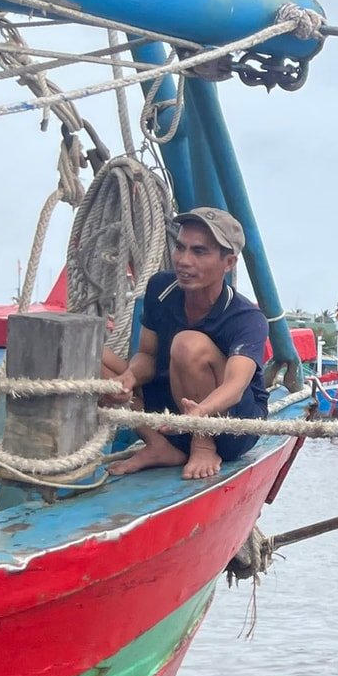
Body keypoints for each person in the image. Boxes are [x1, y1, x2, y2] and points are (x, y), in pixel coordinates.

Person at [102, 206, 269, 481]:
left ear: (228, 263)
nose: (183, 260)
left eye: (199, 252)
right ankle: (159, 446)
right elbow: (147, 354)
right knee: (88, 355)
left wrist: (199, 415)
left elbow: (235, 387)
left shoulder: (247, 318)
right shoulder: (160, 288)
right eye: (180, 248)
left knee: (186, 344)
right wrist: (128, 378)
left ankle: (203, 446)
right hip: (173, 416)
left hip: (229, 428)